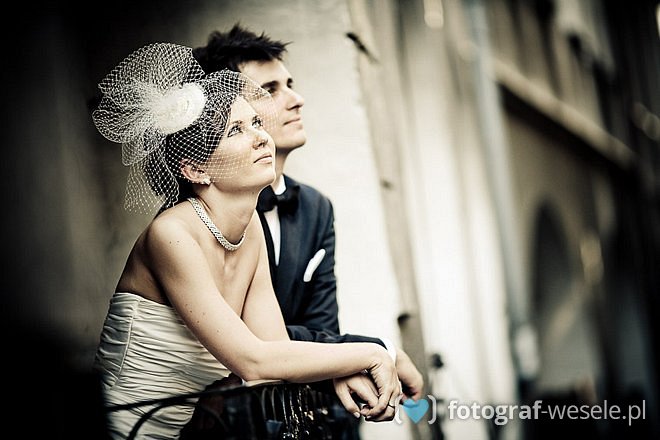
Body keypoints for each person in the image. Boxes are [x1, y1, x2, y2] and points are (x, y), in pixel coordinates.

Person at [91, 42, 401, 439]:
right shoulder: (171, 235)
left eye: (256, 122)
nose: (261, 138)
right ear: (195, 169)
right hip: (124, 426)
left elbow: (273, 348)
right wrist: (370, 353)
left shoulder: (249, 227)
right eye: (236, 130)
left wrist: (343, 368)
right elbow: (252, 363)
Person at [192, 24, 424, 421]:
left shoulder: (316, 208)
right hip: (223, 415)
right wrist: (373, 349)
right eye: (270, 90)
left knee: (357, 410)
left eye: (290, 84)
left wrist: (341, 361)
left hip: (299, 404)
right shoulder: (208, 214)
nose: (296, 100)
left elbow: (321, 323)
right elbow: (252, 338)